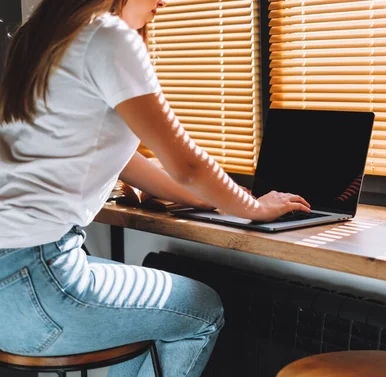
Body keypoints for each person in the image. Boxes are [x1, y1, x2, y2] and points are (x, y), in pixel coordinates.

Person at [0, 0, 311, 376]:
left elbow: (124, 161)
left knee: (145, 323)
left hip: (13, 288)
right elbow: (189, 165)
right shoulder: (109, 36)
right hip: (41, 282)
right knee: (201, 309)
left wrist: (201, 197)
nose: (164, 1)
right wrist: (253, 207)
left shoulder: (42, 37)